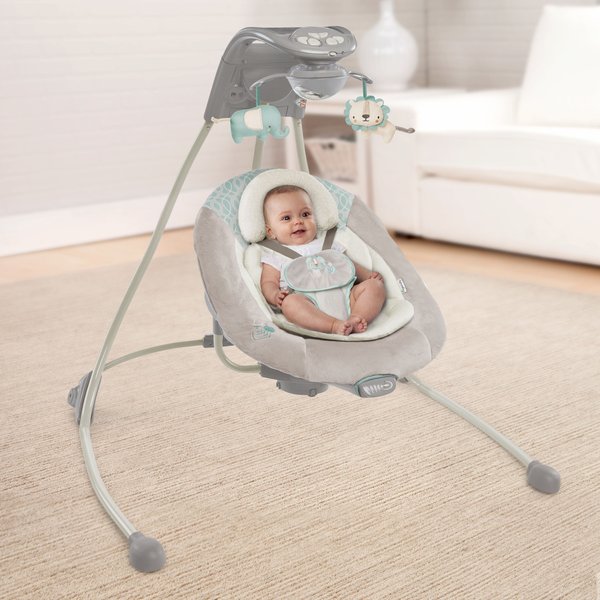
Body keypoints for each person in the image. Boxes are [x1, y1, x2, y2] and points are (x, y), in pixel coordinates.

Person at [259, 184, 386, 336]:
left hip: (346, 296)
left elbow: (348, 264)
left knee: (375, 286)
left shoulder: (329, 244)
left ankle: (356, 318)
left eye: (305, 214)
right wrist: (275, 295)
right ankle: (332, 325)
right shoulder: (275, 256)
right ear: (270, 232)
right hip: (309, 304)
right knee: (290, 304)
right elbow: (268, 282)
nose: (298, 221)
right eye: (286, 218)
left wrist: (367, 275)